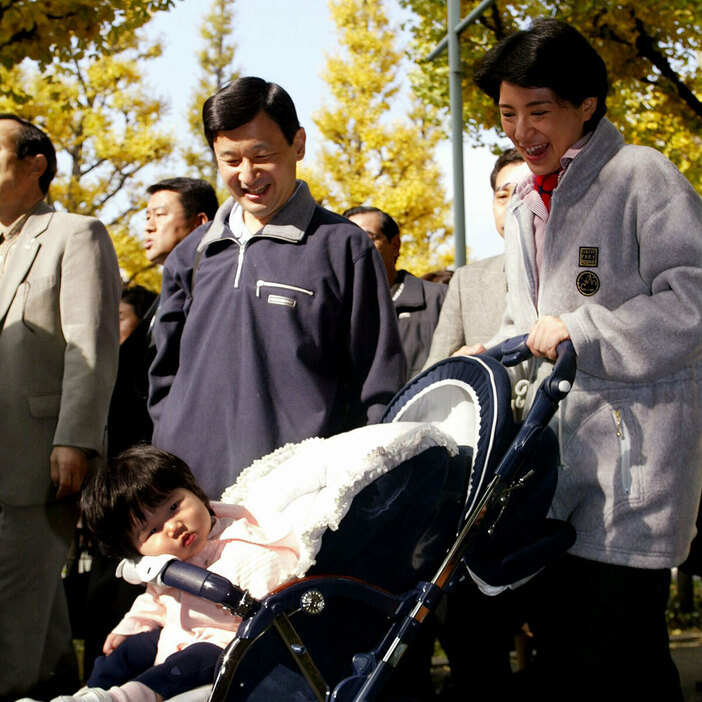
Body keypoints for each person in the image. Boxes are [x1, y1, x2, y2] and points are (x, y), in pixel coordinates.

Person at [470, 17, 702, 701]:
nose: (521, 131)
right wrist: (496, 351)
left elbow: (694, 298)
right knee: (601, 665)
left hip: (631, 479)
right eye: (508, 114)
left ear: (587, 106)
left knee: (610, 657)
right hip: (550, 478)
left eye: (539, 111)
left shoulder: (642, 177)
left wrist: (583, 330)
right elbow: (525, 319)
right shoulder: (521, 201)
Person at [149, 77, 406, 500]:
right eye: (230, 160)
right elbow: (164, 378)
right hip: (191, 499)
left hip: (297, 501)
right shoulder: (191, 254)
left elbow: (376, 383)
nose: (247, 175)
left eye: (261, 155)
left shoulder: (344, 247)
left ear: (298, 145)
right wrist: (170, 446)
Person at [0, 114, 121, 699]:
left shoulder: (77, 233)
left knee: (11, 619)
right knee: (39, 625)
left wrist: (76, 437)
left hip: (36, 456)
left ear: (34, 164)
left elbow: (90, 343)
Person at [35, 444, 298, 702]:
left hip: (226, 648)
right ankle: (92, 691)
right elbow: (156, 598)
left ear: (195, 491)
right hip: (177, 634)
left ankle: (124, 698)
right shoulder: (166, 562)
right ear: (137, 550)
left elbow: (272, 596)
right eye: (152, 531)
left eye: (173, 507)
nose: (173, 527)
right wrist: (133, 625)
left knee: (187, 662)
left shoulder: (243, 545)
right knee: (129, 649)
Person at [86, 179, 218, 681]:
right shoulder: (161, 301)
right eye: (145, 213)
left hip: (165, 476)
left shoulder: (205, 297)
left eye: (160, 213)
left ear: (200, 223)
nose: (147, 223)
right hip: (133, 484)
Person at [423, 149, 527, 368]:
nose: (513, 206)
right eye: (503, 196)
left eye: (526, 193)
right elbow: (434, 369)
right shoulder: (466, 280)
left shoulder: (577, 269)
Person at [343, 206, 446, 381]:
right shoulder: (332, 307)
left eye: (367, 238)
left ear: (395, 245)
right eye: (347, 241)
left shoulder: (440, 300)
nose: (356, 248)